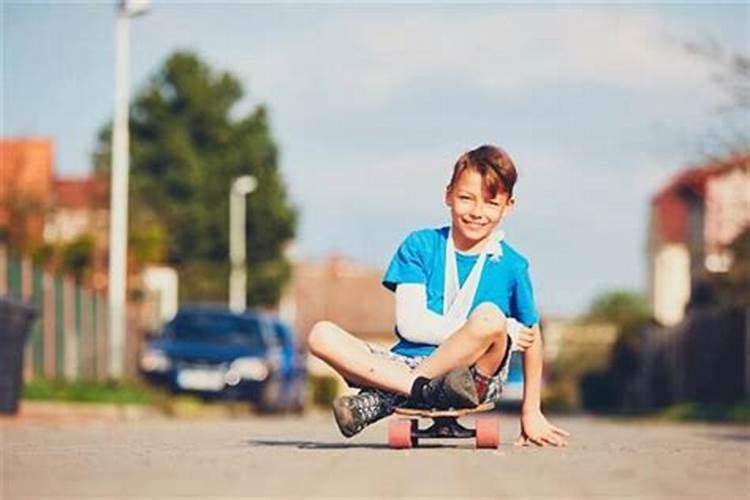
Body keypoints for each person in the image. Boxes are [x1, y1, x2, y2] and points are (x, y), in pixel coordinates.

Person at [307, 145, 569, 447]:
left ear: (508, 206)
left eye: (490, 203)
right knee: (320, 335)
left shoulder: (512, 265)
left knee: (490, 317)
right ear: (448, 195)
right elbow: (410, 326)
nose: (476, 212)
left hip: (474, 376)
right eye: (465, 198)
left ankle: (386, 398)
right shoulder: (420, 245)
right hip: (406, 365)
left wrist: (531, 410)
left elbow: (531, 336)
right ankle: (421, 390)